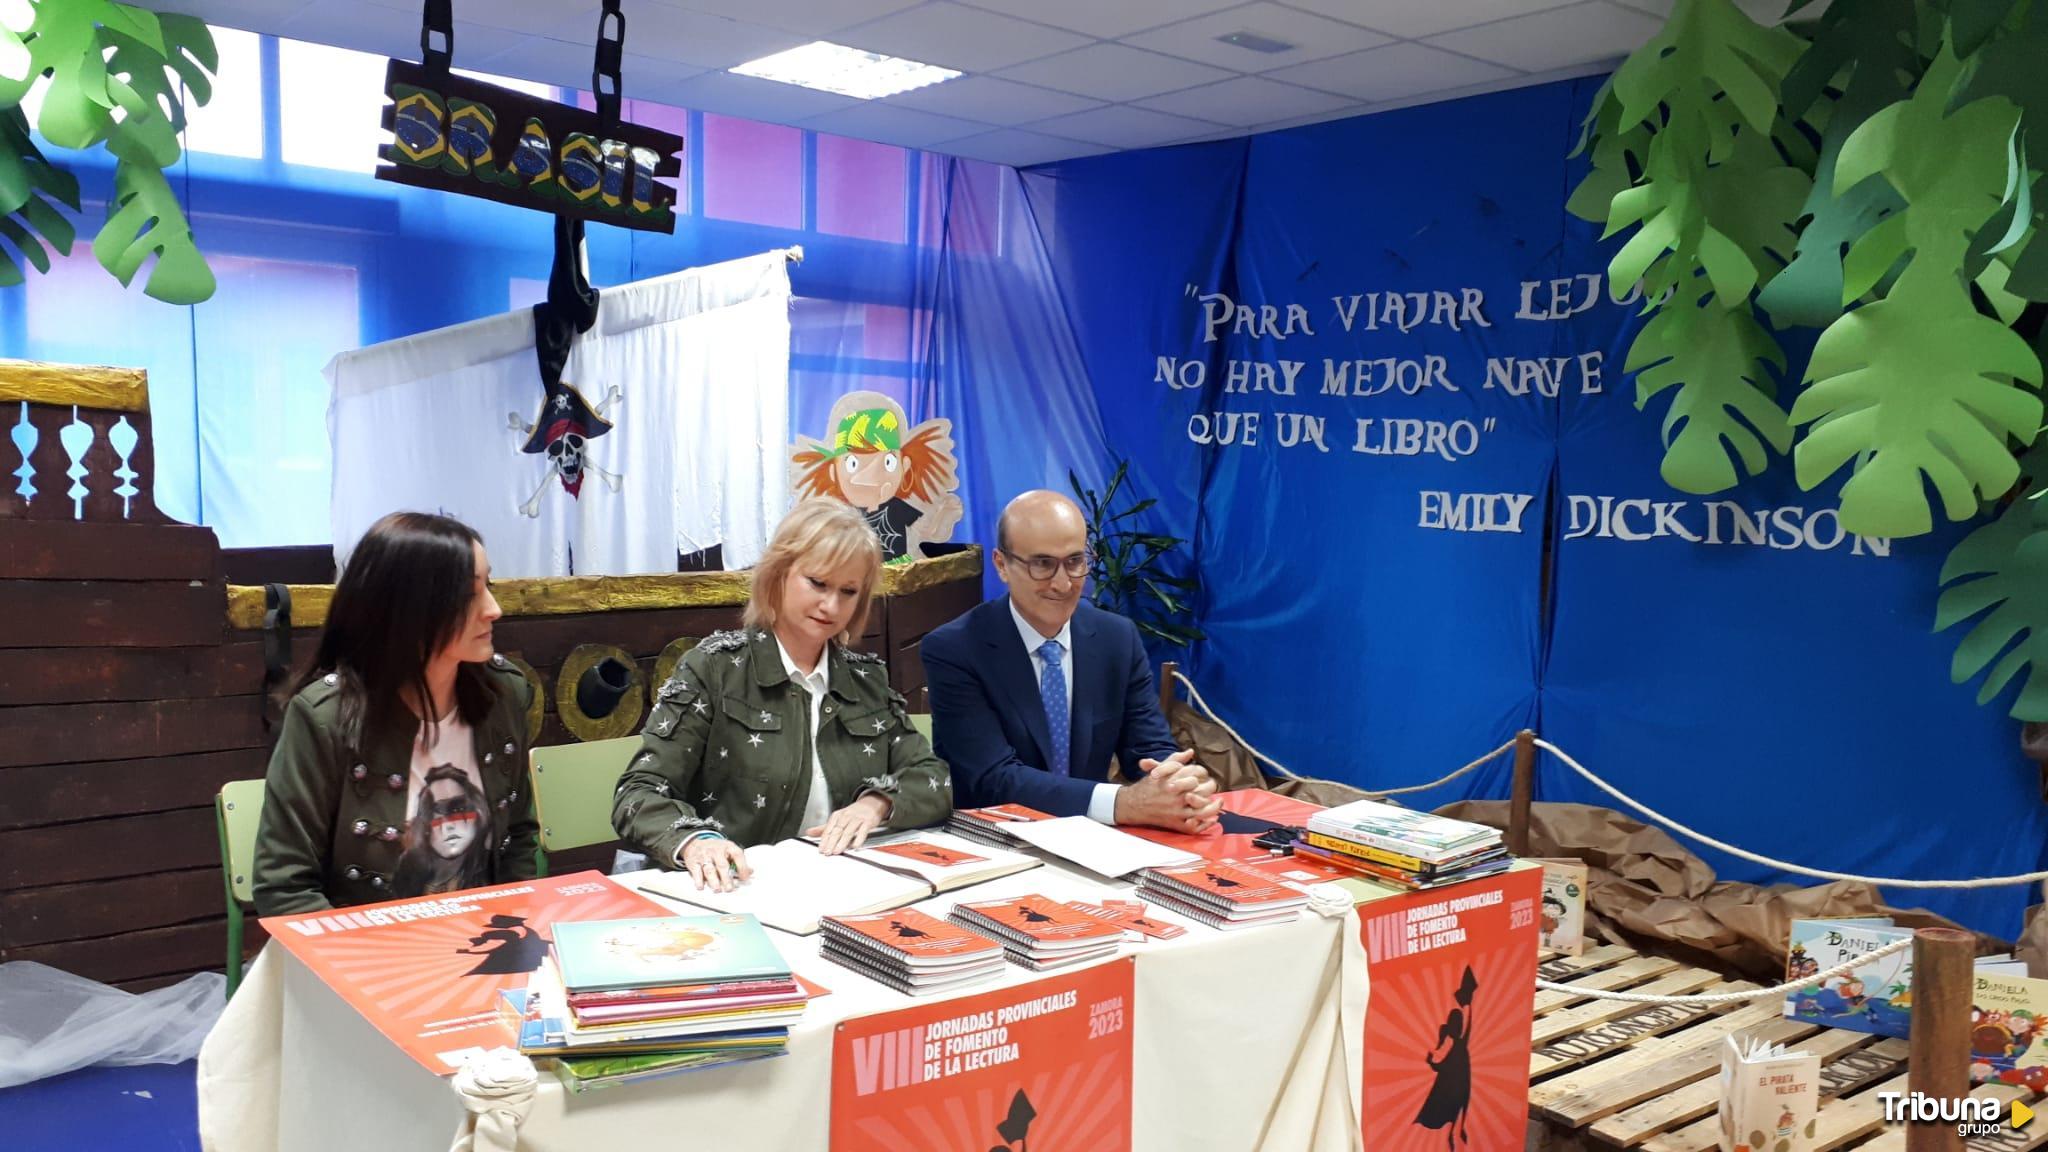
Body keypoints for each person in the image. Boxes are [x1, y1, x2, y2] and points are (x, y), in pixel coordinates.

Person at [612, 498, 952, 893]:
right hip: (735, 892)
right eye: (818, 583)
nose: (831, 605)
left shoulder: (866, 679)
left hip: (846, 887)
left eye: (848, 591)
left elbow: (934, 779)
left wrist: (877, 803)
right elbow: (638, 792)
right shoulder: (713, 669)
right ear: (778, 573)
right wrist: (697, 843)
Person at [252, 512, 538, 915]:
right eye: (470, 594)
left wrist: (514, 933)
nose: (493, 609)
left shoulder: (504, 694)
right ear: (409, 609)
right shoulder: (324, 718)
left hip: (484, 946)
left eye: (488, 586)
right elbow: (285, 889)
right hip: (368, 957)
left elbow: (519, 840)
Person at [919, 490, 1221, 832]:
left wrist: (1179, 783)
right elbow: (992, 779)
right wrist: (1124, 803)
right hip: (996, 842)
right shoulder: (955, 649)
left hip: (1091, 840)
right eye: (1043, 564)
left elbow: (1148, 746)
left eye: (1075, 561)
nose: (1062, 583)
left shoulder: (1116, 638)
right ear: (1002, 565)